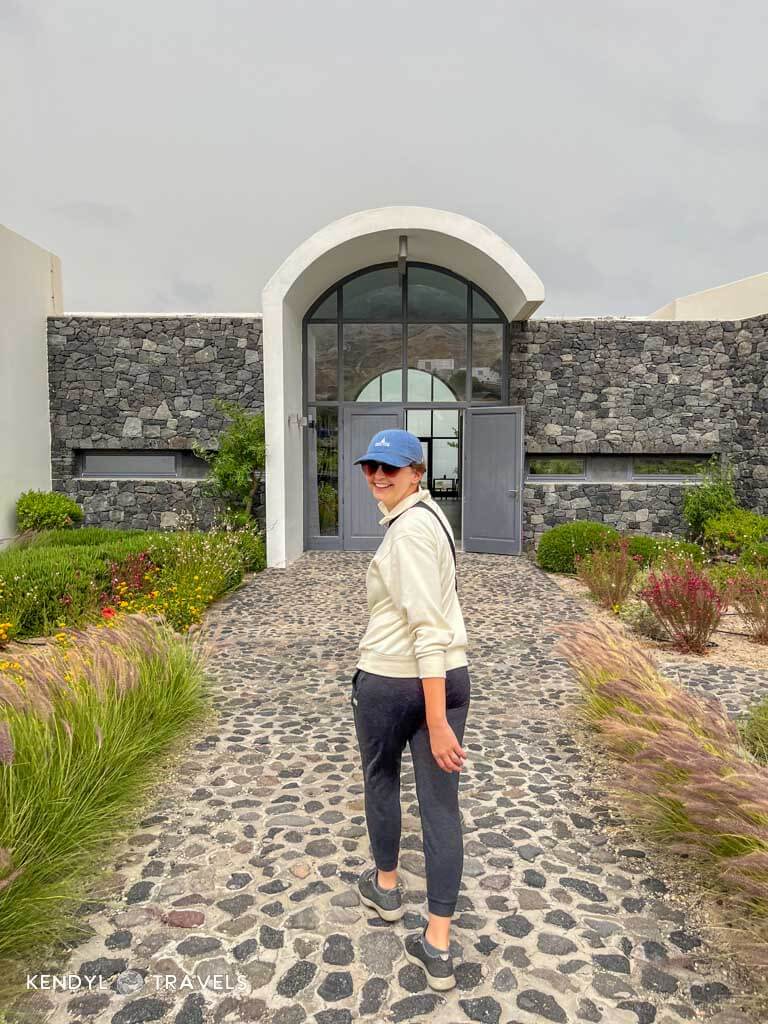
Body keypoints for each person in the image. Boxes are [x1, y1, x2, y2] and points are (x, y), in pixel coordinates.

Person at [349, 428, 471, 992]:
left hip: (403, 681)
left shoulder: (409, 534)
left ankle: (389, 888)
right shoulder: (433, 520)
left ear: (417, 471)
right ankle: (437, 943)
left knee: (382, 781)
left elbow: (427, 629)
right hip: (444, 676)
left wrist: (438, 717)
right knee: (441, 806)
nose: (378, 476)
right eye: (372, 466)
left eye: (391, 468)